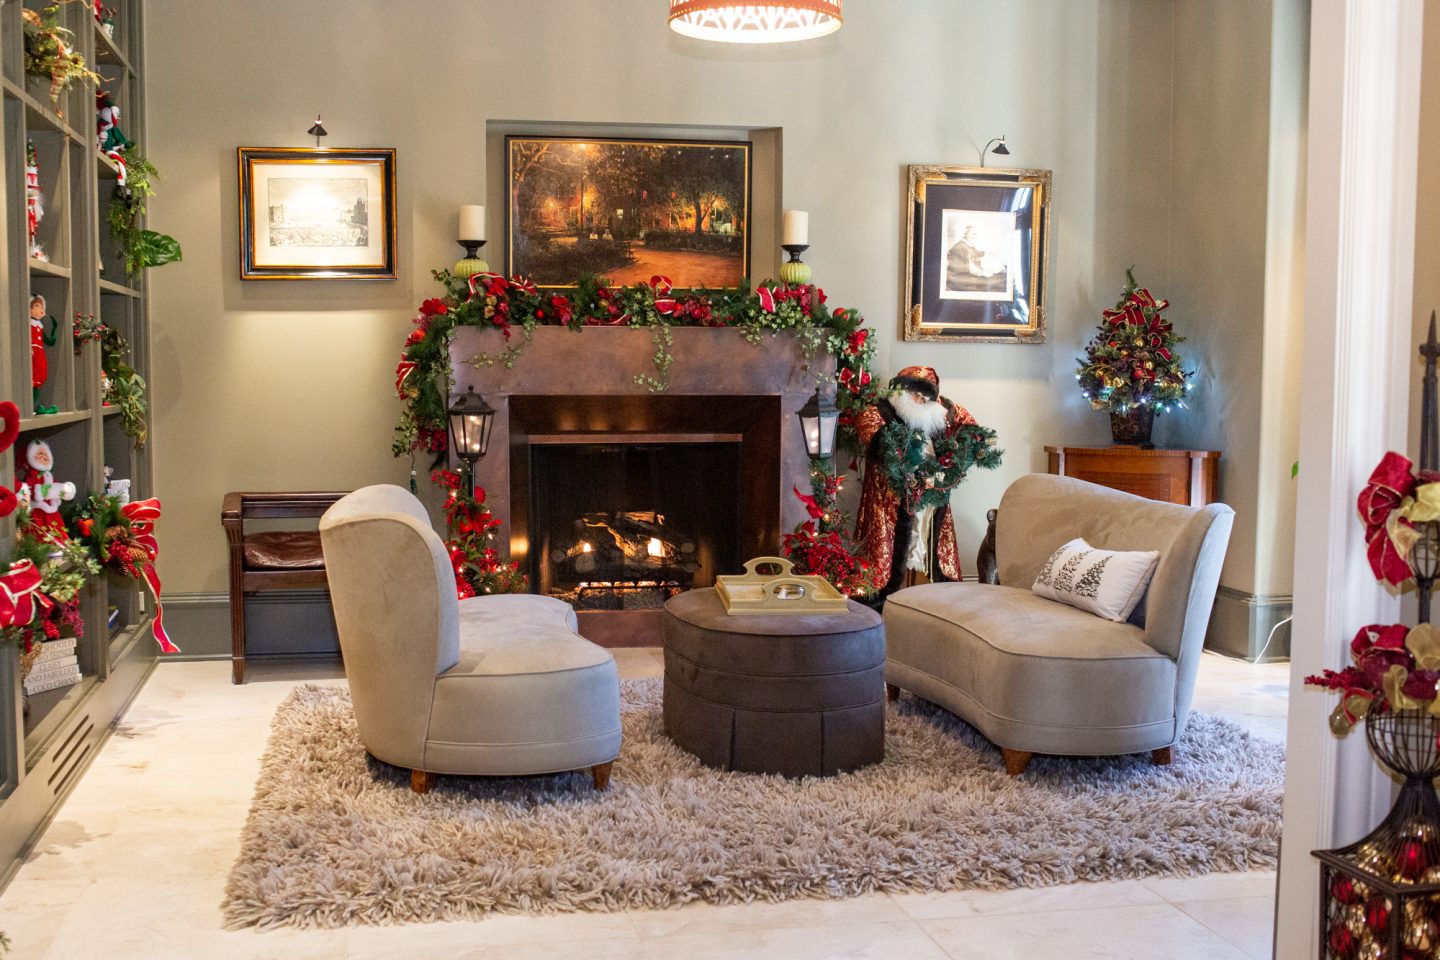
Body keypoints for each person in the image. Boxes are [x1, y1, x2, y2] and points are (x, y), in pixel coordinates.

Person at [854, 366, 976, 600]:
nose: (920, 400)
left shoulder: (945, 411)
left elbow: (974, 433)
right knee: (893, 550)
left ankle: (926, 594)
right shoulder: (880, 411)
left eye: (926, 397)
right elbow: (870, 431)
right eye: (914, 394)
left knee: (926, 542)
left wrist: (957, 460)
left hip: (932, 493)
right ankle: (886, 597)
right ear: (901, 391)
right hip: (892, 497)